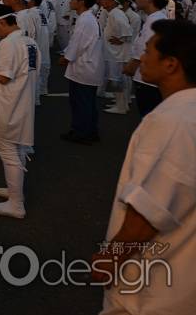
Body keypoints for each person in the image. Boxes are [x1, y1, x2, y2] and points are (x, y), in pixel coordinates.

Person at [92, 19, 196, 314]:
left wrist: (112, 257)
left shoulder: (173, 121)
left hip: (152, 288)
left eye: (149, 51)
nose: (142, 57)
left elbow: (149, 209)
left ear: (171, 64)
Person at [0, 4, 39, 219]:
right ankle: (14, 191)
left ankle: (15, 203)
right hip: (22, 102)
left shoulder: (9, 44)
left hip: (8, 106)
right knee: (17, 149)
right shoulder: (28, 41)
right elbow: (16, 69)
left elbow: (3, 77)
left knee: (8, 152)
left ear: (1, 22)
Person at [59, 0, 104, 144]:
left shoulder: (85, 19)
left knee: (81, 102)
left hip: (84, 67)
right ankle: (89, 131)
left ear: (81, 2)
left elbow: (78, 44)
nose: (70, 2)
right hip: (87, 66)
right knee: (86, 102)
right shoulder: (86, 18)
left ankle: (82, 132)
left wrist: (66, 57)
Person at [123, 0, 169, 118]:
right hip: (148, 76)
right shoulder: (154, 18)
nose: (136, 0)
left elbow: (146, 48)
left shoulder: (155, 21)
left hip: (148, 79)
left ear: (149, 0)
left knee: (148, 115)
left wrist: (132, 65)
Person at [101, 0, 134, 115]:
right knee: (117, 80)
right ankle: (121, 104)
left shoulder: (116, 14)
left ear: (113, 2)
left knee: (116, 80)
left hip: (117, 54)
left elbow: (128, 33)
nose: (103, 1)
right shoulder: (113, 13)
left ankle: (121, 107)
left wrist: (120, 40)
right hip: (114, 53)